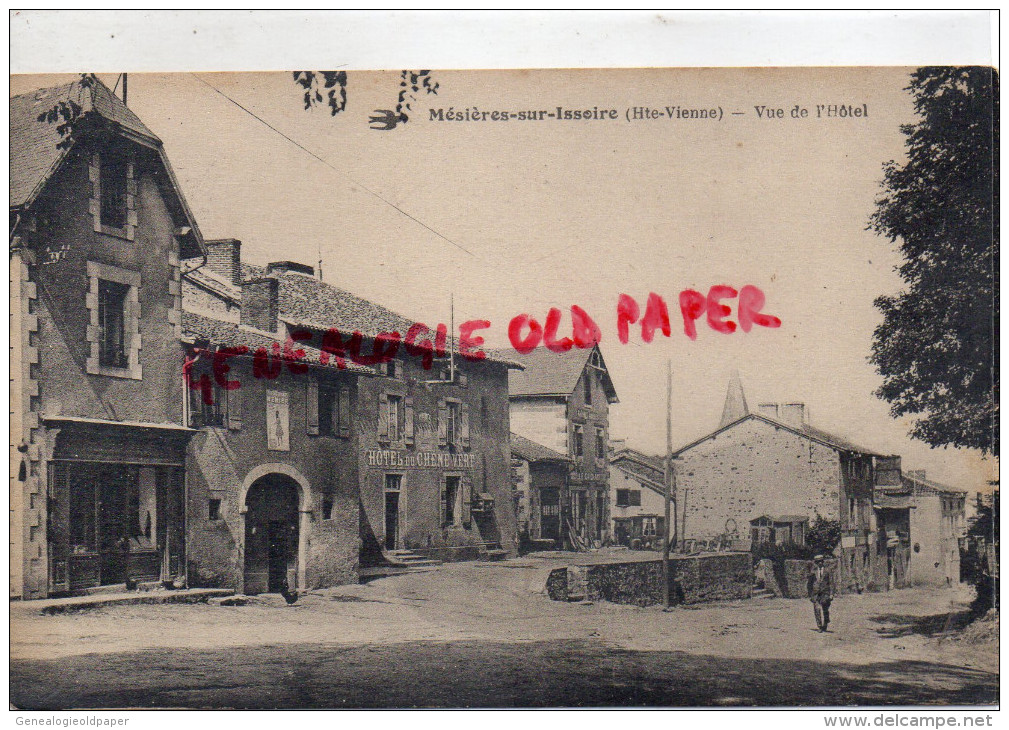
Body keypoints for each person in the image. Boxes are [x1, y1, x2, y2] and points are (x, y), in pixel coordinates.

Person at [808, 554, 834, 632]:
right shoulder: (813, 572)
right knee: (817, 609)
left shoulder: (828, 571)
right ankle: (819, 626)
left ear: (823, 562)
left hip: (825, 593)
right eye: (818, 562)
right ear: (816, 562)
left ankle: (825, 623)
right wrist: (810, 595)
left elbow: (831, 583)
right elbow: (809, 584)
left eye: (821, 561)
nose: (819, 563)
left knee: (825, 609)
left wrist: (831, 594)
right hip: (816, 594)